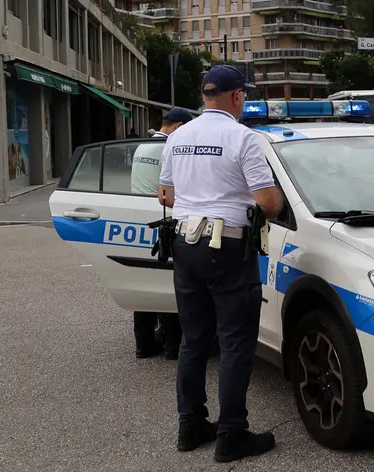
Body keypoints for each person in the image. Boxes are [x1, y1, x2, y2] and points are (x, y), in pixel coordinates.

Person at [157, 65, 283, 462]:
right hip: (227, 246)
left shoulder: (178, 137)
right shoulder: (243, 138)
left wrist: (199, 196)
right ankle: (232, 434)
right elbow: (268, 203)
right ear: (237, 97)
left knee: (193, 340)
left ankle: (191, 425)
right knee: (235, 342)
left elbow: (165, 195)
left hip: (185, 243)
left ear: (205, 96)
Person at [131, 107, 194, 361]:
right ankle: (171, 345)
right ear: (179, 127)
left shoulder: (142, 146)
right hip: (162, 220)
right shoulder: (169, 148)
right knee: (167, 281)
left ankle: (143, 344)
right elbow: (173, 191)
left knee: (143, 282)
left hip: (135, 216)